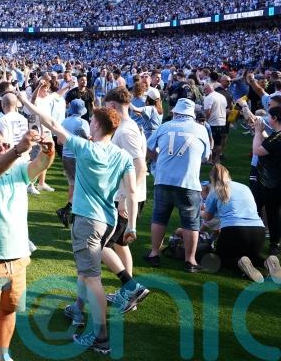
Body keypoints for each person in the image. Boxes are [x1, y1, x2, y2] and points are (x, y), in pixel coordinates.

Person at [17, 88, 138, 355]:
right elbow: (131, 191)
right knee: (86, 273)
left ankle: (101, 337)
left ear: (96, 125)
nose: (89, 124)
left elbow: (52, 123)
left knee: (92, 278)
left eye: (92, 121)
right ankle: (80, 310)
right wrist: (131, 226)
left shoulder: (85, 148)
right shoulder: (122, 155)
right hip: (108, 221)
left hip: (88, 221)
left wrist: (26, 102)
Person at [0, 128, 54, 361]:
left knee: (9, 310)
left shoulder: (19, 171)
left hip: (18, 258)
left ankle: (1, 355)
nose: (2, 149)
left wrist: (48, 150)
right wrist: (16, 150)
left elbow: (40, 164)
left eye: (5, 145)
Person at [144, 98, 211, 272]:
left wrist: (158, 159)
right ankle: (191, 260)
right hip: (188, 182)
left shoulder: (165, 127)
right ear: (192, 114)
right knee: (191, 223)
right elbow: (206, 157)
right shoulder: (201, 129)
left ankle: (154, 253)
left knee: (159, 217)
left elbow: (147, 147)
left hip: (164, 179)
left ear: (175, 112)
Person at [103, 88, 150, 312]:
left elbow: (141, 167)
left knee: (99, 244)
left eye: (106, 108)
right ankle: (128, 293)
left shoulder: (125, 131)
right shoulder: (130, 127)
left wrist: (124, 197)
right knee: (120, 244)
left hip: (125, 198)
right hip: (129, 196)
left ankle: (131, 288)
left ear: (113, 106)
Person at [202, 164, 279, 283]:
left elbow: (208, 217)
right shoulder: (244, 187)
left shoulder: (214, 191)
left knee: (222, 257)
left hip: (234, 230)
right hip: (259, 230)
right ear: (228, 175)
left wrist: (198, 211)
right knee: (252, 256)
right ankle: (267, 261)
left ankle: (240, 262)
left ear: (212, 179)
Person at [55, 99, 90, 228]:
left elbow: (59, 141)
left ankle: (70, 212)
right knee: (81, 186)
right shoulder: (83, 123)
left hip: (66, 156)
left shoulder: (64, 121)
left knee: (72, 184)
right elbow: (87, 140)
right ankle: (68, 210)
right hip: (78, 156)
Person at [252, 106, 281, 256]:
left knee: (272, 213)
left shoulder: (278, 137)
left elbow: (258, 150)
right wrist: (260, 132)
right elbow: (269, 143)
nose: (268, 119)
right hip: (270, 180)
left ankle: (274, 244)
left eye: (269, 116)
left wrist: (258, 133)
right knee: (260, 208)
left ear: (275, 118)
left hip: (272, 182)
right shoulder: (276, 136)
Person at [203, 83, 228, 164]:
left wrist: (204, 121)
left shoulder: (208, 97)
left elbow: (207, 112)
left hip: (212, 123)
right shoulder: (222, 96)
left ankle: (210, 159)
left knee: (211, 142)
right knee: (218, 143)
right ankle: (217, 159)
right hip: (222, 122)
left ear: (207, 89)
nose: (204, 92)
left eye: (204, 90)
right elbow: (226, 108)